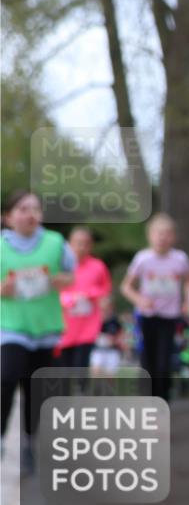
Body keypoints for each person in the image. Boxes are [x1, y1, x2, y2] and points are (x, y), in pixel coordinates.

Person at [1, 190, 75, 474]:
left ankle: (29, 442)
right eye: (22, 209)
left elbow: (71, 275)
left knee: (35, 389)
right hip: (10, 327)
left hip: (46, 328)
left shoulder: (55, 243)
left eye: (35, 209)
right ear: (8, 217)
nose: (30, 214)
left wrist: (61, 280)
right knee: (7, 377)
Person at [121, 213, 189, 402]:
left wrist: (187, 302)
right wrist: (139, 300)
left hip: (170, 318)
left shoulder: (180, 259)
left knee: (164, 365)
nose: (162, 237)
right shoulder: (142, 259)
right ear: (150, 236)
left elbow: (188, 282)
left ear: (174, 237)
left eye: (167, 233)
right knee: (148, 364)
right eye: (158, 233)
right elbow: (126, 287)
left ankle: (162, 404)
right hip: (147, 317)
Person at [57, 227, 112, 383]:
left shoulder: (98, 267)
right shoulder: (61, 265)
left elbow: (105, 290)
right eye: (77, 243)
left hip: (87, 326)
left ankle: (81, 395)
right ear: (69, 244)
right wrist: (68, 298)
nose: (81, 247)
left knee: (81, 364)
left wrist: (94, 296)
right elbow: (53, 289)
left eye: (85, 244)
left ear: (91, 246)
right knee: (64, 368)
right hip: (65, 327)